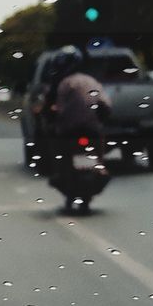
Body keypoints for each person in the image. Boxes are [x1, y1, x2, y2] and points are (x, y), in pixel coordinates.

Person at [46, 46, 112, 213]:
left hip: (69, 132)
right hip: (92, 130)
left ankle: (61, 173)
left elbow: (58, 110)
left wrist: (53, 116)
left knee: (58, 150)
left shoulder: (64, 84)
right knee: (99, 150)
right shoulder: (92, 81)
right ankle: (101, 168)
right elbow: (106, 105)